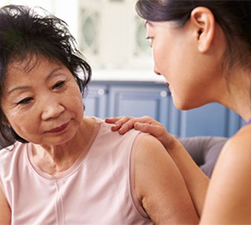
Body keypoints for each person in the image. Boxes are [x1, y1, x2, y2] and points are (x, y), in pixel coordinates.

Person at [0, 5, 199, 225]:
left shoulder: (138, 152)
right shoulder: (2, 175)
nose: (54, 110)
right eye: (25, 100)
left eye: (59, 84)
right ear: (0, 114)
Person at [106, 0, 251, 224]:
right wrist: (172, 146)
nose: (155, 68)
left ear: (201, 30)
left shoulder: (244, 153)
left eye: (151, 39)